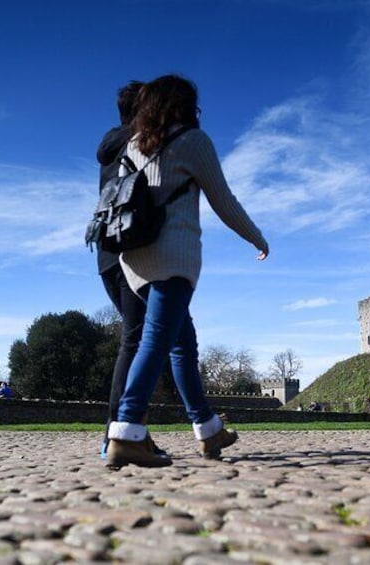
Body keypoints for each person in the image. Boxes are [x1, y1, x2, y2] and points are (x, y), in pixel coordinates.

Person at [106, 74, 269, 468]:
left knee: (182, 342)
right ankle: (126, 431)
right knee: (157, 340)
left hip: (134, 260)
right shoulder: (193, 142)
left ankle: (208, 429)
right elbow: (223, 200)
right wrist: (257, 238)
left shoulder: (133, 144)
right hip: (172, 259)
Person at [95, 80, 167, 461]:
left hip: (106, 254)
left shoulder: (112, 147)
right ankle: (118, 433)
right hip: (129, 255)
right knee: (138, 340)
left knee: (142, 340)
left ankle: (130, 431)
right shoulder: (136, 145)